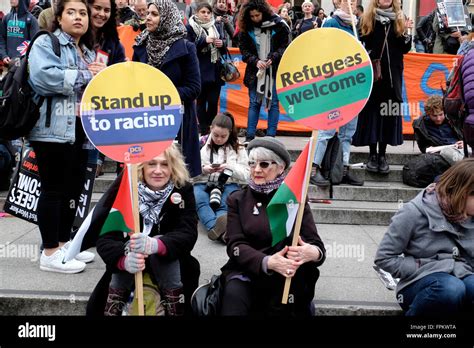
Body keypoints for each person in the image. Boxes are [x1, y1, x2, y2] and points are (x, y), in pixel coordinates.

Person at [27, 0, 106, 273]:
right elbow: (43, 77)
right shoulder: (46, 43)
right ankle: (49, 252)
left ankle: (64, 244)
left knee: (72, 189)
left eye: (83, 13)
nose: (78, 18)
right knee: (53, 190)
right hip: (50, 131)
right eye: (71, 12)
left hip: (79, 131)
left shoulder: (84, 49)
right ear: (59, 18)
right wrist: (88, 74)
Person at [88, 144, 200, 316]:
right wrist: (123, 260)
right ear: (141, 167)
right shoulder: (125, 189)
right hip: (129, 267)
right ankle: (114, 308)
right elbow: (105, 239)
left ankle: (175, 308)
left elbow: (188, 234)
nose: (158, 170)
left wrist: (157, 244)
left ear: (173, 167)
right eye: (151, 164)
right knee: (130, 247)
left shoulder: (183, 190)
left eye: (164, 164)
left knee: (185, 265)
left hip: (172, 265)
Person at [220, 137, 326, 316]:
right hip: (248, 270)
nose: (257, 170)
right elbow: (235, 246)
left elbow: (316, 245)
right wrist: (267, 262)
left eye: (264, 164)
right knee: (234, 296)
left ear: (281, 168)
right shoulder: (237, 199)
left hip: (286, 274)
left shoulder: (295, 199)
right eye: (252, 164)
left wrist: (312, 253)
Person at [375, 159, 474, 316]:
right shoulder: (413, 212)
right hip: (419, 283)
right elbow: (384, 259)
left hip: (463, 275)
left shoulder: (471, 215)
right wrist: (422, 266)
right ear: (461, 193)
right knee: (451, 289)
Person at [133, 0, 202, 178]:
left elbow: (194, 88)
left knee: (174, 177)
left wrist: (162, 97)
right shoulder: (141, 45)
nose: (148, 18)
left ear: (167, 18)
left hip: (176, 123)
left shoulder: (186, 48)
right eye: (148, 13)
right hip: (145, 121)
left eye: (154, 14)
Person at [352, 0, 412, 175]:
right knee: (372, 116)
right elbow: (360, 44)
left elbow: (404, 49)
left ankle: (383, 155)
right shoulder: (366, 19)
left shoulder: (400, 19)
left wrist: (407, 33)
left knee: (387, 116)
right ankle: (372, 155)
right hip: (373, 76)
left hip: (392, 78)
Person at [309, 0, 363, 188]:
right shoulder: (331, 23)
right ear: (338, 3)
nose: (351, 4)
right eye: (347, 1)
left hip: (352, 85)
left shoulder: (358, 24)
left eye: (355, 1)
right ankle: (313, 169)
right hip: (334, 84)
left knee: (348, 132)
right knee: (327, 128)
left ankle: (342, 168)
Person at [238, 0, 290, 143]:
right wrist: (255, 61)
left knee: (273, 104)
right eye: (252, 16)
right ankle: (249, 137)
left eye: (257, 15)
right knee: (254, 103)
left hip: (273, 70)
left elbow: (284, 46)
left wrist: (273, 57)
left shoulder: (279, 25)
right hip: (255, 72)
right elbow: (244, 51)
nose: (255, 18)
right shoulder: (245, 29)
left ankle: (271, 136)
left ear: (264, 12)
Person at [193, 112, 249, 241]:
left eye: (223, 136)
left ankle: (218, 231)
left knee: (224, 203)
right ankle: (221, 232)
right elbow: (188, 172)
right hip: (203, 181)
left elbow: (247, 175)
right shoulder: (200, 143)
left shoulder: (238, 147)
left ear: (230, 132)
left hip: (229, 182)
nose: (218, 139)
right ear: (211, 129)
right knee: (200, 200)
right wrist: (203, 169)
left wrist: (229, 167)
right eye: (216, 135)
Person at [87, 0, 126, 177]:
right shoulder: (72, 36)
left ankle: (99, 160)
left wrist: (107, 73)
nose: (102, 14)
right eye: (97, 8)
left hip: (99, 115)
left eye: (106, 10)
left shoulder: (113, 44)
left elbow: (121, 81)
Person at [186, 2, 227, 136]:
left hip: (215, 70)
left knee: (214, 101)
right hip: (199, 70)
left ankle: (210, 127)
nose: (206, 15)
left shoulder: (216, 26)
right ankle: (203, 129)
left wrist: (222, 44)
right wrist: (204, 40)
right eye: (203, 12)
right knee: (201, 102)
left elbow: (224, 49)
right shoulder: (190, 27)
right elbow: (188, 47)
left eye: (208, 12)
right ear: (197, 13)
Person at [0, 0, 39, 66]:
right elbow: (1, 39)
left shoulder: (31, 20)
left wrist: (21, 58)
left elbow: (34, 42)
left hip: (23, 62)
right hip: (8, 60)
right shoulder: (6, 18)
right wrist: (4, 55)